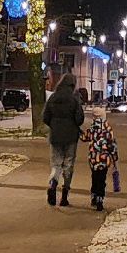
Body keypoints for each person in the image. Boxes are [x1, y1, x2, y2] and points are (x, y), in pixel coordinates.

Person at [42, 72, 85, 206]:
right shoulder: (74, 99)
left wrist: (54, 126)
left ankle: (53, 182)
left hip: (55, 136)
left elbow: (45, 117)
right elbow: (79, 119)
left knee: (56, 164)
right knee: (68, 164)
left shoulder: (53, 97)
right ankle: (64, 197)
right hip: (71, 137)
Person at [86, 115, 119, 211]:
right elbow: (112, 145)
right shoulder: (107, 130)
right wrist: (114, 157)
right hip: (104, 160)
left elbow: (84, 137)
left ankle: (94, 196)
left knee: (94, 178)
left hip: (93, 159)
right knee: (102, 179)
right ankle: (100, 199)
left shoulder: (91, 129)